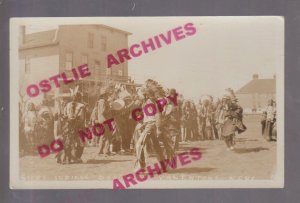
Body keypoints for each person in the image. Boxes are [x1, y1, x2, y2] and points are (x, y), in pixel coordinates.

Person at [61, 90, 86, 164]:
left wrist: (68, 120)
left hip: (68, 126)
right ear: (79, 97)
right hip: (78, 126)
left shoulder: (67, 105)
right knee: (80, 142)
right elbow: (82, 118)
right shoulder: (82, 106)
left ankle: (67, 158)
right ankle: (76, 157)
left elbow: (64, 116)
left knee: (68, 141)